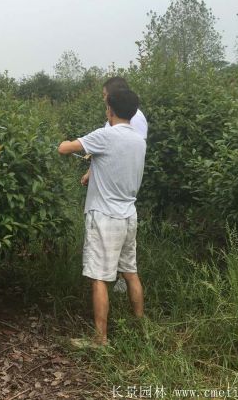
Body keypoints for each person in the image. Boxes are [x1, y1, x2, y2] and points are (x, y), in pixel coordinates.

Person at [58, 88, 146, 346]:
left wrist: (64, 143)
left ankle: (100, 339)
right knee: (130, 272)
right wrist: (92, 169)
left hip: (105, 217)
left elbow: (66, 148)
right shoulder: (139, 140)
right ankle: (141, 327)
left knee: (99, 278)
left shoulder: (105, 135)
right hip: (129, 215)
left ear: (110, 109)